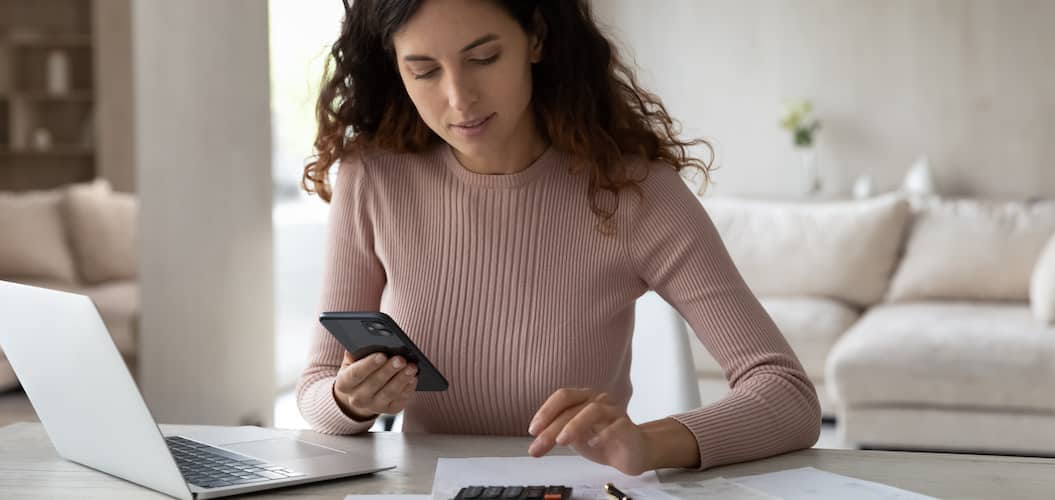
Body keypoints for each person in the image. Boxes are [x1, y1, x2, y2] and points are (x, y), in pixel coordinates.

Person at [296, 0, 820, 475]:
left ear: (537, 39)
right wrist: (350, 401)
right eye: (425, 71)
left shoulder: (636, 193)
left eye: (484, 58)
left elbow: (788, 396)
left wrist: (651, 443)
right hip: (423, 489)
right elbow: (316, 389)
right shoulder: (373, 179)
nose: (459, 99)